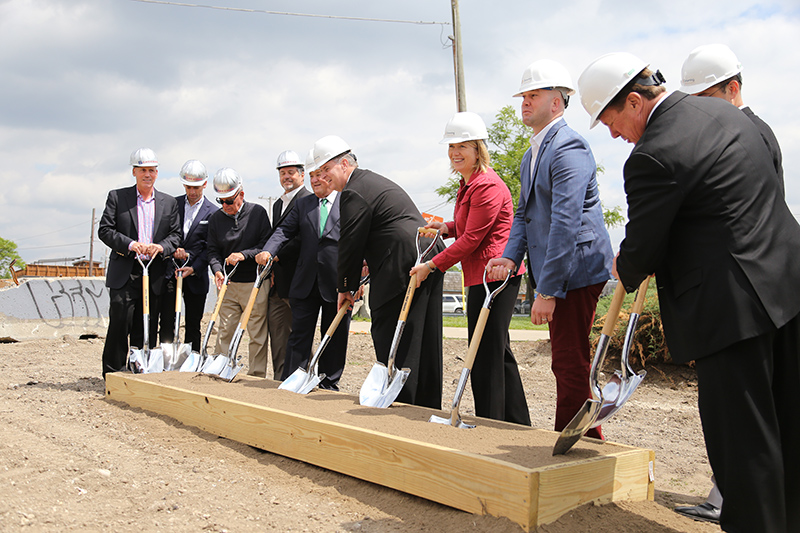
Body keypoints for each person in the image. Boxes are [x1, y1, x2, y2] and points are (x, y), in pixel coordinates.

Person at [577, 51, 800, 533]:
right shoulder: (727, 113)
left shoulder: (653, 154)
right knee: (786, 426)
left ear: (635, 102)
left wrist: (627, 264)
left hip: (730, 311)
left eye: (611, 122)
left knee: (743, 445)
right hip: (786, 289)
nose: (614, 135)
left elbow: (644, 247)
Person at [674, 43, 787, 525]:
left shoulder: (749, 134)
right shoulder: (749, 132)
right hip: (766, 290)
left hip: (748, 294)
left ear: (733, 88)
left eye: (707, 97)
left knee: (746, 413)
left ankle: (731, 498)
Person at [487, 59, 613, 440]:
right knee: (566, 361)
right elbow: (524, 214)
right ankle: (583, 440)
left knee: (569, 360)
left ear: (557, 103)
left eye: (533, 95)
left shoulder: (569, 146)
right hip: (558, 271)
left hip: (577, 269)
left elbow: (566, 221)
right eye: (523, 96)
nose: (524, 103)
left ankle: (577, 443)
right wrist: (511, 255)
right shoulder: (532, 153)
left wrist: (547, 291)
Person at [410, 112, 530, 425]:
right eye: (451, 146)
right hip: (481, 276)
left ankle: (491, 423)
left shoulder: (486, 185)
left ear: (478, 149)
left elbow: (473, 239)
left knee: (485, 356)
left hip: (495, 277)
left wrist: (431, 265)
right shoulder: (469, 185)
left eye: (463, 146)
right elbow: (464, 227)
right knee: (497, 353)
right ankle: (516, 423)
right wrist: (440, 228)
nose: (455, 152)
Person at [312, 135, 445, 409]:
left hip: (404, 259)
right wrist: (359, 273)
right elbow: (368, 236)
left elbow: (349, 242)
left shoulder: (353, 191)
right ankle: (424, 404)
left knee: (391, 326)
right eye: (320, 172)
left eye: (327, 170)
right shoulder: (369, 182)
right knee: (421, 334)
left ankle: (403, 401)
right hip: (426, 251)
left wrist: (344, 287)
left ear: (345, 164)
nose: (323, 178)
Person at [256, 151, 348, 390]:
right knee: (298, 335)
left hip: (337, 282)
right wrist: (268, 250)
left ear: (330, 176)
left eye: (321, 174)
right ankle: (293, 381)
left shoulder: (347, 201)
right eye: (313, 176)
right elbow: (284, 231)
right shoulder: (303, 204)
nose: (316, 179)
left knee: (335, 336)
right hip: (305, 281)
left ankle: (329, 383)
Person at [98, 147, 181, 377]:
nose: (148, 175)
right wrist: (131, 245)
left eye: (152, 170)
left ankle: (138, 372)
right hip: (126, 270)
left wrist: (161, 247)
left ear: (157, 173)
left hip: (153, 271)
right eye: (143, 170)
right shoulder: (117, 197)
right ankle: (113, 373)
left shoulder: (169, 202)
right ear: (134, 172)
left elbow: (175, 235)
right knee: (119, 323)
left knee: (146, 324)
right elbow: (105, 230)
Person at [679, 43, 783, 195]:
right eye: (692, 100)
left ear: (732, 89)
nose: (697, 107)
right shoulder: (726, 133)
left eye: (704, 97)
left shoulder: (753, 133)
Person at [206, 168, 272, 377]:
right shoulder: (216, 219)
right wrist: (217, 270)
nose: (225, 206)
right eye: (221, 201)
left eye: (229, 201)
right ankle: (220, 370)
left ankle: (256, 375)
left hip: (255, 283)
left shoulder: (257, 213)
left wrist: (244, 255)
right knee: (225, 330)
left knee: (256, 333)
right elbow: (212, 250)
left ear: (241, 194)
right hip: (229, 284)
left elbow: (265, 244)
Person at [265, 150, 313, 380]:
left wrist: (276, 255)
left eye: (291, 172)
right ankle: (280, 378)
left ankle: (303, 376)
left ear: (302, 175)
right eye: (283, 173)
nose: (287, 177)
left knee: (299, 333)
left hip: (299, 279)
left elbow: (304, 237)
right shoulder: (278, 205)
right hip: (279, 280)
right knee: (279, 332)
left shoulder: (308, 200)